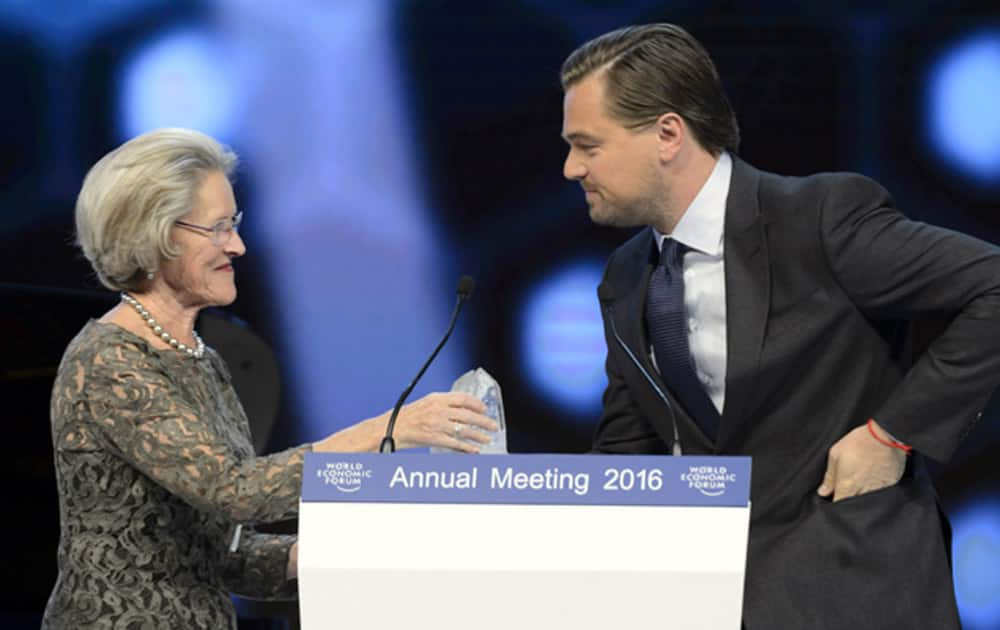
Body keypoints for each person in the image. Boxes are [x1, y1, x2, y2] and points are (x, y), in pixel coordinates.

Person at [560, 23, 1000, 629]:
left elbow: (992, 286)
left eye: (588, 145)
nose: (569, 168)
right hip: (716, 605)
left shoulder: (817, 219)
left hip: (859, 594)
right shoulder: (627, 275)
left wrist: (894, 433)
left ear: (667, 134)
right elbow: (628, 453)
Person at [43, 128, 497, 629]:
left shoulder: (199, 358)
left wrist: (345, 550)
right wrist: (392, 428)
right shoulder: (109, 362)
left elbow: (221, 554)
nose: (236, 244)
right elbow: (234, 490)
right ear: (157, 233)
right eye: (216, 229)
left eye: (233, 224)